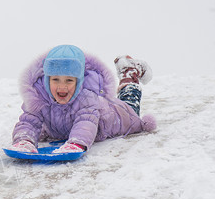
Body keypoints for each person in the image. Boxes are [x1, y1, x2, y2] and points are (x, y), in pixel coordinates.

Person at [10, 44, 156, 153]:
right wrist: (24, 140)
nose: (62, 87)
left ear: (79, 81)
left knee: (129, 102)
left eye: (69, 80)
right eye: (56, 80)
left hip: (119, 115)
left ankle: (129, 73)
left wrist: (77, 143)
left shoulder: (86, 97)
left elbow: (86, 123)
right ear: (47, 80)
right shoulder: (38, 96)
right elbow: (29, 121)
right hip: (88, 116)